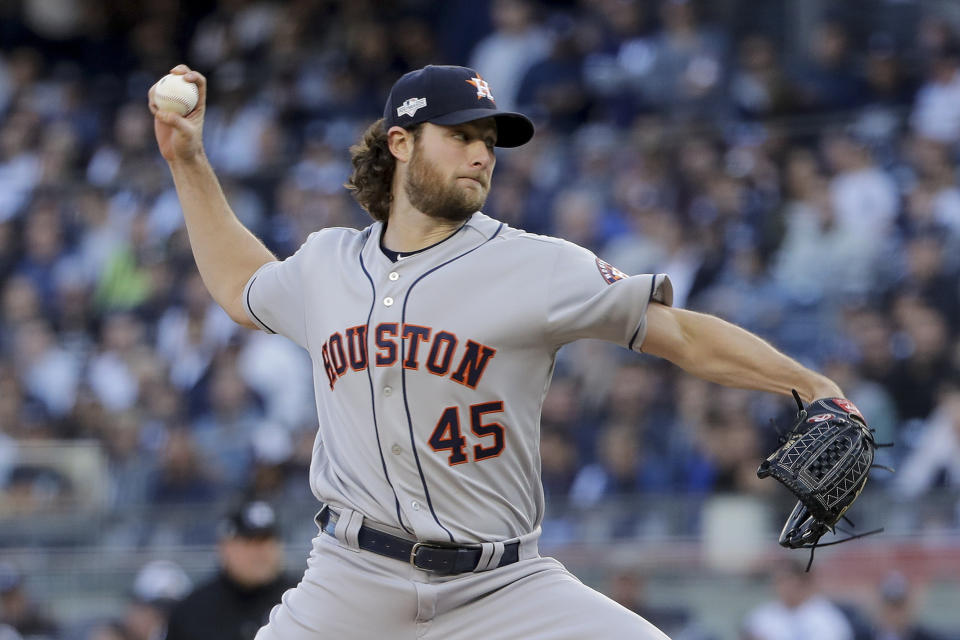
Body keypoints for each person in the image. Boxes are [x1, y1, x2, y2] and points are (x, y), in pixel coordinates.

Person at [150, 62, 851, 639]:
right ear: (400, 143)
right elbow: (241, 282)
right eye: (459, 134)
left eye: (489, 138)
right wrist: (188, 160)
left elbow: (680, 333)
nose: (482, 152)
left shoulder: (538, 266)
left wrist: (806, 382)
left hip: (503, 588)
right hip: (351, 584)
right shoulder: (326, 264)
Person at [164, 501, 296, 640]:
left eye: (267, 541)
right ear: (225, 547)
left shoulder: (300, 600)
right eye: (249, 542)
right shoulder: (192, 611)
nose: (260, 552)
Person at [741, 561, 854, 640]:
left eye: (786, 580)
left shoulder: (827, 617)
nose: (781, 587)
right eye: (778, 581)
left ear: (803, 582)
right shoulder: (763, 614)